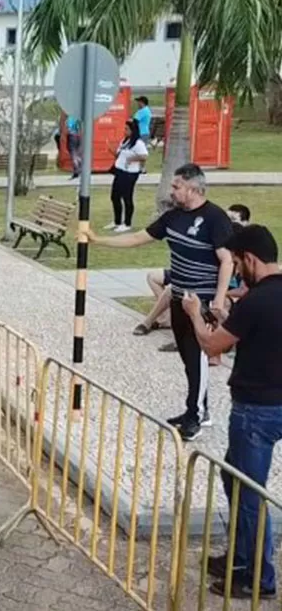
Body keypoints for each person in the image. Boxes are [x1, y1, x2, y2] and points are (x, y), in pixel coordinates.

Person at [84, 164, 234, 441]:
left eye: (177, 186)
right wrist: (99, 240)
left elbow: (226, 260)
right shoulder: (172, 217)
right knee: (190, 359)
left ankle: (195, 417)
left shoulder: (215, 218)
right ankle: (201, 409)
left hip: (201, 301)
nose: (172, 191)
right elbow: (138, 238)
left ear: (193, 188)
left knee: (198, 356)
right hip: (178, 296)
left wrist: (218, 300)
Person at [181, 225, 282, 599]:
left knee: (249, 492)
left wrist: (194, 313)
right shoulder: (268, 297)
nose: (238, 273)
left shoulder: (257, 301)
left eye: (238, 265)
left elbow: (211, 345)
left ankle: (259, 579)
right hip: (275, 404)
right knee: (232, 477)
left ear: (250, 259)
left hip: (255, 410)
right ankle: (240, 557)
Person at [107, 119, 149, 232]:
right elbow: (119, 155)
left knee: (127, 197)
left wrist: (132, 158)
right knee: (114, 196)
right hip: (120, 171)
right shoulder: (124, 141)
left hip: (130, 173)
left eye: (126, 129)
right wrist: (111, 151)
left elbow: (144, 156)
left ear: (132, 130)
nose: (124, 131)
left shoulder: (138, 143)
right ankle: (117, 221)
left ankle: (127, 223)